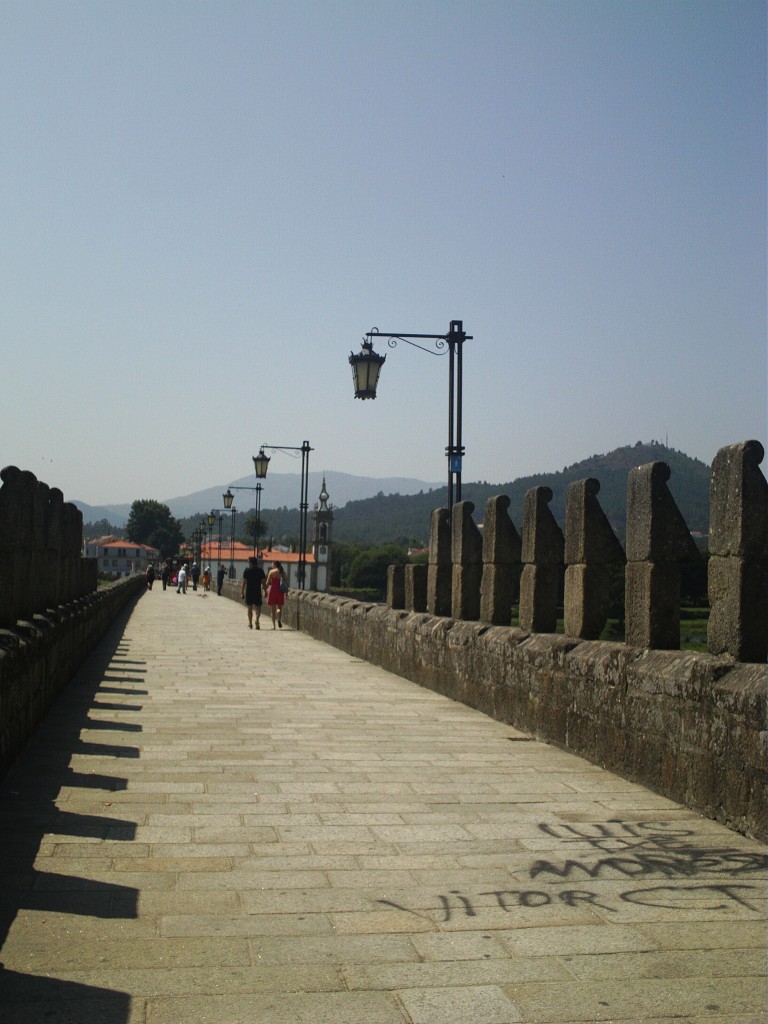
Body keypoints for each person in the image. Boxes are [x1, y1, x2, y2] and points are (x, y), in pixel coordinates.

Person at [240, 555, 266, 629]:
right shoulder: (260, 571)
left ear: (251, 563)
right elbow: (263, 582)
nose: (248, 563)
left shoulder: (247, 570)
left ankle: (250, 623)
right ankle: (257, 619)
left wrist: (242, 592)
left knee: (250, 608)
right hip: (257, 591)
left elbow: (244, 582)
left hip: (249, 591)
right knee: (258, 607)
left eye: (248, 562)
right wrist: (265, 590)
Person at [265, 560, 287, 629]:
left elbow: (267, 583)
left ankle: (274, 626)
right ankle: (279, 619)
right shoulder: (283, 572)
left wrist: (265, 589)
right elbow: (286, 582)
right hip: (280, 591)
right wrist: (286, 592)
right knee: (279, 607)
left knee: (273, 609)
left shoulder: (271, 572)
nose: (272, 566)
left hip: (273, 591)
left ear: (275, 565)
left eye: (272, 564)